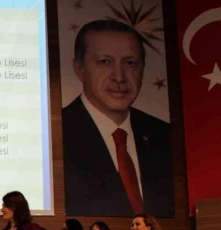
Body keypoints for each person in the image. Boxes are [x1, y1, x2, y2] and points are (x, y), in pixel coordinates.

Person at [62, 19, 173, 217]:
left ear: (142, 69)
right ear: (79, 68)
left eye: (130, 63)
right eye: (105, 62)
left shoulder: (165, 136)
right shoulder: (56, 134)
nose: (119, 77)